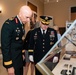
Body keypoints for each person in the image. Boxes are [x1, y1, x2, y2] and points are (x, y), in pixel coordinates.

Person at [1, 5, 32, 75]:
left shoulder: (20, 24)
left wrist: (23, 53)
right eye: (27, 17)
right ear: (20, 14)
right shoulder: (9, 25)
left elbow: (20, 42)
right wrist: (9, 66)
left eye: (29, 18)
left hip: (19, 59)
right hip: (12, 61)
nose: (28, 20)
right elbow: (5, 47)